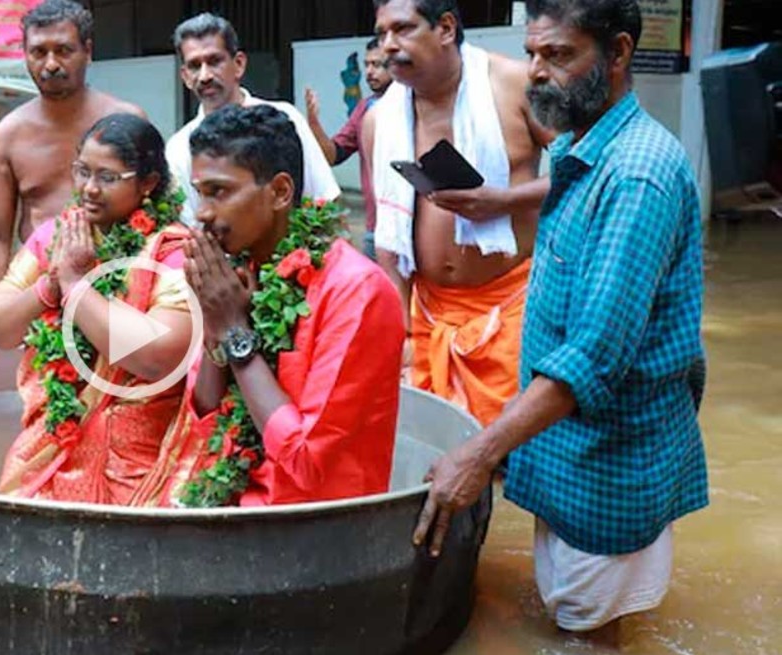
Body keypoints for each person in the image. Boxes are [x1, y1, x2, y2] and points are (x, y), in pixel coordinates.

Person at [414, 0, 708, 642]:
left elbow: (592, 360)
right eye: (534, 54)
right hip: (566, 455)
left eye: (560, 55)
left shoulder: (637, 177)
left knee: (590, 632)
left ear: (620, 54)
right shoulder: (580, 146)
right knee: (566, 618)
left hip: (612, 462)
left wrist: (479, 452)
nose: (538, 72)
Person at [173, 104, 405, 507]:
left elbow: (306, 460)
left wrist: (234, 332)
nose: (203, 213)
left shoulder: (356, 291)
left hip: (310, 530)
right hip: (229, 506)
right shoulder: (235, 275)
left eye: (220, 192)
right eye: (200, 194)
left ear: (280, 192)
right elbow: (204, 418)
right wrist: (215, 322)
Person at [0, 113, 195, 506]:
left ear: (148, 183)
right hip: (50, 441)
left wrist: (76, 287)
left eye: (108, 178)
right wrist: (50, 285)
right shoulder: (59, 237)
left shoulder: (174, 253)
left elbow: (156, 358)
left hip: (136, 459)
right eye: (82, 172)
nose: (89, 189)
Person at [362, 0, 554, 426]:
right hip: (427, 315)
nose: (389, 46)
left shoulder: (514, 85)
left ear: (446, 28)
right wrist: (403, 337)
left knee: (515, 461)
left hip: (513, 307)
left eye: (403, 29)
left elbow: (587, 171)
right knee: (435, 456)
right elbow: (387, 243)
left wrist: (503, 202)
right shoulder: (380, 121)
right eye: (382, 34)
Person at [0, 0, 145, 308]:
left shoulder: (127, 122)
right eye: (39, 52)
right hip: (40, 293)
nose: (51, 64)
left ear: (88, 51)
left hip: (120, 287)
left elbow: (155, 212)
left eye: (64, 50)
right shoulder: (8, 136)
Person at [166, 13, 341, 227]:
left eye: (214, 61)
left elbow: (326, 202)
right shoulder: (178, 148)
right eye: (194, 65)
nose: (204, 76)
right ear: (184, 76)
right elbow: (193, 230)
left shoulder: (285, 119)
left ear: (239, 64)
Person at [304, 37, 393, 259]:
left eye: (378, 65)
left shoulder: (416, 104)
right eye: (367, 65)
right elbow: (332, 155)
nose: (370, 72)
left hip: (412, 226)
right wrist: (314, 122)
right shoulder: (365, 109)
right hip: (376, 229)